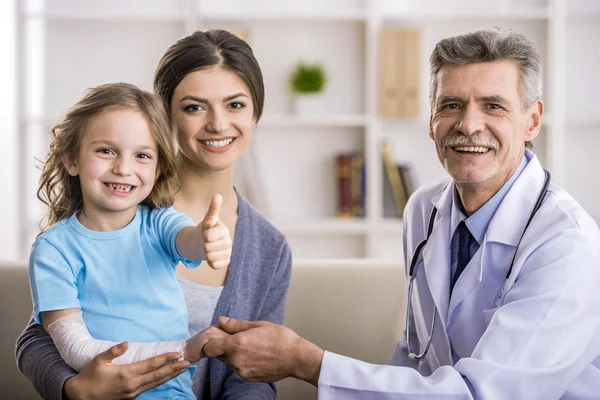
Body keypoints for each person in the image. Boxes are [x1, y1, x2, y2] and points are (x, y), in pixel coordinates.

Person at [202, 28, 600, 399]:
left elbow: (482, 394)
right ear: (431, 120)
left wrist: (307, 362)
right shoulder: (423, 209)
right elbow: (417, 355)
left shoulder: (565, 242)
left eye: (493, 106)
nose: (469, 124)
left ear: (532, 120)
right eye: (451, 105)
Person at [16, 29, 292, 400]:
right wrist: (74, 389)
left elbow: (253, 375)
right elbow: (39, 334)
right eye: (194, 107)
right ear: (164, 116)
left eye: (236, 105)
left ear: (256, 113)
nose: (218, 124)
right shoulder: (120, 202)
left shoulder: (269, 248)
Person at [28, 82, 233, 399]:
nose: (124, 168)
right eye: (105, 151)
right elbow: (74, 347)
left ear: (158, 167)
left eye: (142, 155)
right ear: (71, 160)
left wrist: (207, 239)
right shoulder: (53, 249)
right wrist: (183, 350)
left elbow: (187, 240)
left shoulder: (161, 223)